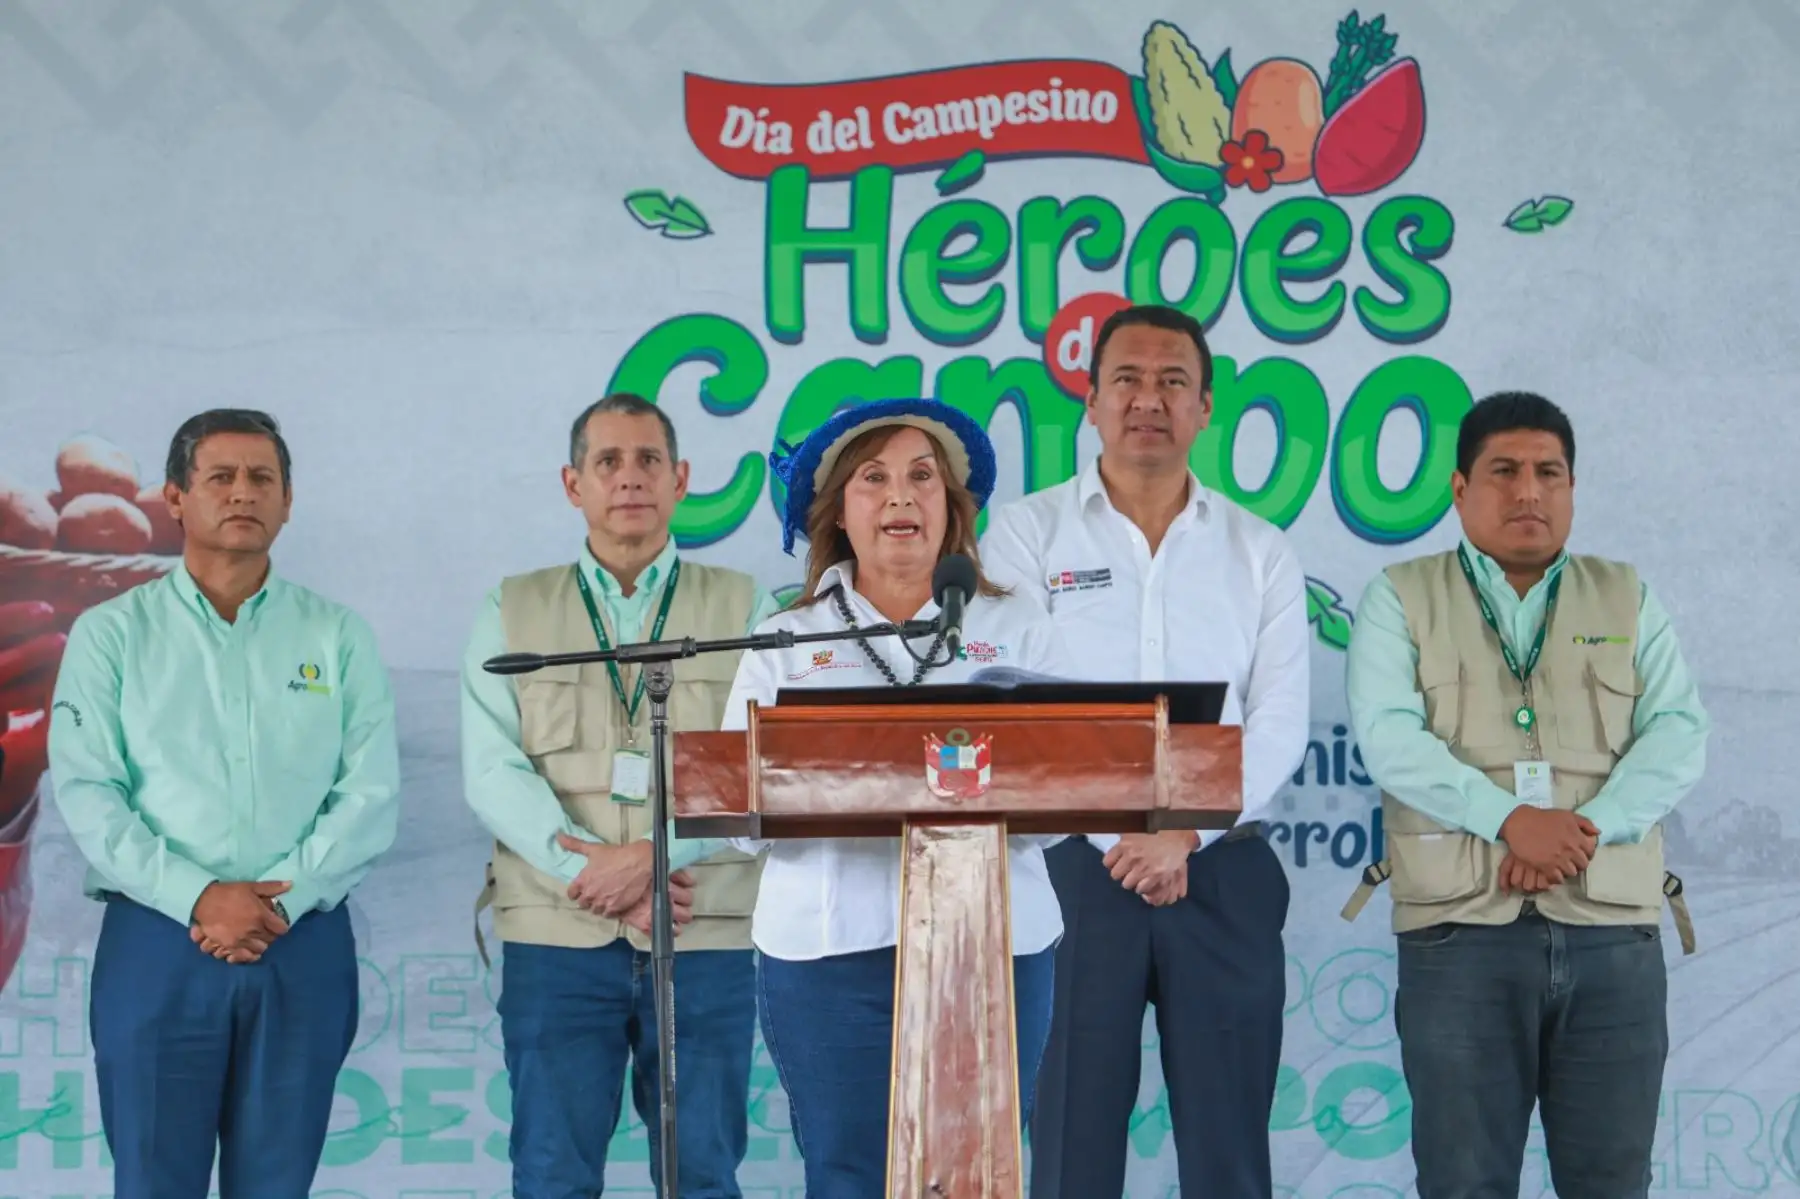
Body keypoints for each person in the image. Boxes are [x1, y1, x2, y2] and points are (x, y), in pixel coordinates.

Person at [979, 303, 1310, 1199]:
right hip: (1072, 876)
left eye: (1173, 381)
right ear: (1090, 401)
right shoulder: (1025, 535)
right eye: (1126, 378)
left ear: (1206, 408)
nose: (1148, 398)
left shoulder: (1260, 551)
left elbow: (1279, 720)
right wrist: (1116, 834)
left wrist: (1185, 835)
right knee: (1067, 1144)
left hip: (1223, 873)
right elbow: (1011, 697)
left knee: (1229, 1149)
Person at [1342, 390, 1708, 1199]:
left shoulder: (1626, 595)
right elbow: (1390, 739)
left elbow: (1680, 730)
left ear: (1573, 489)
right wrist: (1510, 821)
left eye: (1550, 472)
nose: (1529, 491)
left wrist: (1583, 829)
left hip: (1611, 936)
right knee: (1463, 1181)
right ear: (1459, 488)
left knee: (1611, 1181)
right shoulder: (1398, 596)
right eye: (1504, 470)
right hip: (1459, 939)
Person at [46, 408, 402, 1199]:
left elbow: (370, 794)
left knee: (277, 1185)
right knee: (153, 1180)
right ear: (175, 497)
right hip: (159, 940)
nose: (243, 492)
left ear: (287, 500)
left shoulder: (337, 635)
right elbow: (89, 792)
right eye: (221, 476)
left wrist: (280, 900)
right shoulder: (112, 634)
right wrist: (199, 896)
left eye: (262, 478)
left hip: (299, 938)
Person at [720, 397, 1067, 1198]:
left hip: (996, 948)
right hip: (830, 953)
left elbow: (1074, 789)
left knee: (979, 1176)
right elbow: (737, 813)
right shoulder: (785, 639)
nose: (901, 497)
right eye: (874, 478)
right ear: (839, 510)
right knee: (848, 1175)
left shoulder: (1020, 629)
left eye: (922, 477)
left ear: (953, 507)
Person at [460, 392, 780, 1199]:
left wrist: (648, 860)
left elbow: (765, 762)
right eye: (608, 462)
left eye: (648, 461)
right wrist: (595, 874)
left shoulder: (745, 606)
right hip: (558, 933)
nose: (629, 478)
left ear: (681, 480)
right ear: (574, 484)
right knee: (552, 1173)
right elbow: (491, 768)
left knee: (703, 1173)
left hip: (704, 928)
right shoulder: (513, 606)